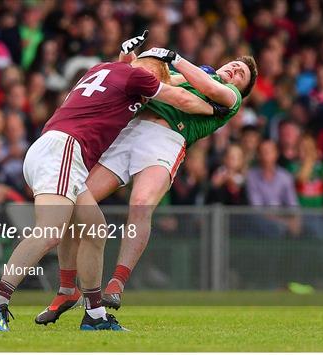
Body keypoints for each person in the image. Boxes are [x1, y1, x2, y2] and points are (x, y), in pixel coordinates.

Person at [0, 32, 221, 332]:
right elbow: (179, 96)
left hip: (53, 148)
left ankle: (94, 315)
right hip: (65, 150)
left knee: (95, 229)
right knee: (50, 231)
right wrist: (216, 108)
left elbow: (130, 78)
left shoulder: (102, 68)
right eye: (162, 75)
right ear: (156, 71)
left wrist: (129, 59)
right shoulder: (141, 78)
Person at [35, 48, 257, 324]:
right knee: (76, 202)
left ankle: (117, 282)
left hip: (167, 139)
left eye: (241, 75)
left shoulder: (228, 96)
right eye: (235, 64)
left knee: (141, 204)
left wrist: (173, 57)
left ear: (240, 89)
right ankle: (67, 289)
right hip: (130, 130)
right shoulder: (190, 75)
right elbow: (150, 80)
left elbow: (207, 86)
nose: (234, 71)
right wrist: (129, 60)